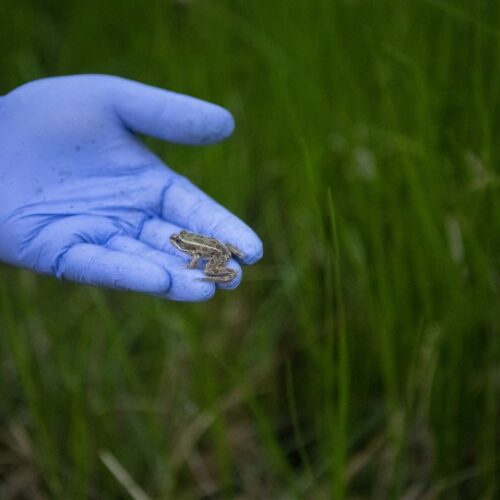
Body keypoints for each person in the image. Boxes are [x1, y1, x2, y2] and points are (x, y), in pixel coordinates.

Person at [0, 75, 263, 301]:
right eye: (178, 240)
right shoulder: (190, 244)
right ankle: (233, 253)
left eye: (178, 240)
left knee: (207, 272)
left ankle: (227, 266)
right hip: (219, 246)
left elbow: (194, 260)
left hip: (216, 251)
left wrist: (193, 263)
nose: (175, 240)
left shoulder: (192, 251)